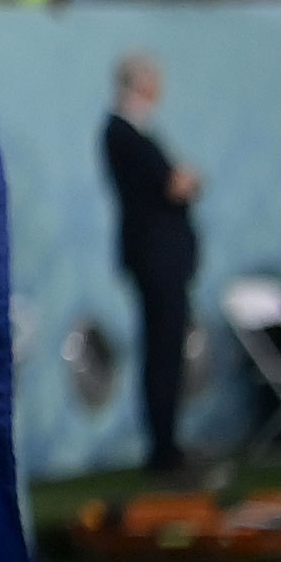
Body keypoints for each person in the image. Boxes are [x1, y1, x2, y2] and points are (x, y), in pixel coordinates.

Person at [105, 53, 204, 477]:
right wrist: (184, 181)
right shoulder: (123, 132)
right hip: (155, 259)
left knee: (168, 349)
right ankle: (163, 449)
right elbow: (172, 183)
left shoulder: (138, 132)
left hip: (164, 258)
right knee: (162, 351)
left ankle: (168, 443)